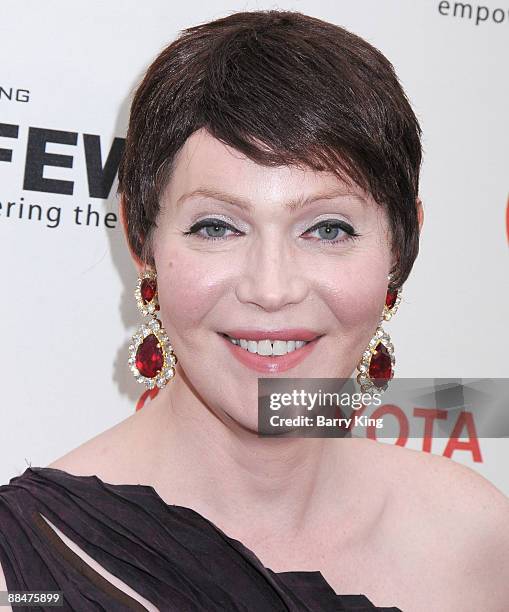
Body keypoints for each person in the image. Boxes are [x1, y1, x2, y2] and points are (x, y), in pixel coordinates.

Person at [1, 9, 508, 612]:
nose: (272, 289)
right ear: (143, 241)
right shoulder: (22, 573)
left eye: (327, 229)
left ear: (402, 246)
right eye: (216, 226)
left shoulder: (475, 542)